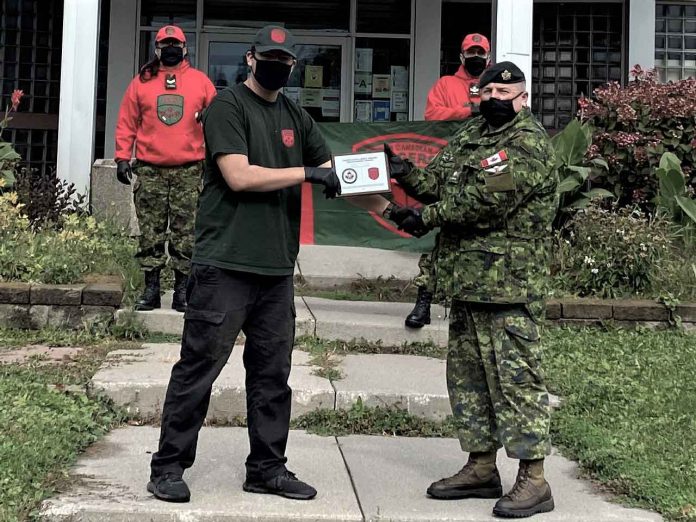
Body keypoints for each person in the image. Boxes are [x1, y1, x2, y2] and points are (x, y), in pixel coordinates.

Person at [147, 25, 341, 503]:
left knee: (272, 376)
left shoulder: (296, 113)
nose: (276, 65)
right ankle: (168, 467)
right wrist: (308, 173)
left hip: (275, 270)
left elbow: (333, 172)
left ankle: (267, 469)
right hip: (225, 265)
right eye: (268, 56)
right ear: (251, 59)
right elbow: (238, 176)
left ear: (292, 66)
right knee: (199, 369)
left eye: (285, 59)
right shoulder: (227, 106)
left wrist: (396, 203)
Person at [383, 62, 559, 518]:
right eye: (488, 90)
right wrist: (404, 174)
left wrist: (424, 218)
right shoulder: (471, 133)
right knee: (468, 381)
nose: (495, 97)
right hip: (468, 282)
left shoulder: (528, 143)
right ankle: (481, 467)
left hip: (510, 287)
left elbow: (485, 200)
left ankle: (534, 480)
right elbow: (441, 183)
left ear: (523, 96)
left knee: (516, 381)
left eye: (505, 90)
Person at [114, 25, 216, 313]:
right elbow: (126, 122)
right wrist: (122, 157)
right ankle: (152, 288)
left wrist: (217, 160)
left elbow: (218, 121)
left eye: (176, 44)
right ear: (157, 49)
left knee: (187, 233)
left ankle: (183, 290)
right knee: (151, 232)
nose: (171, 48)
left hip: (189, 170)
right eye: (165, 44)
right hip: (150, 170)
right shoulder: (141, 83)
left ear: (185, 48)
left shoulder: (201, 82)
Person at [405, 33, 492, 329]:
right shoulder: (445, 84)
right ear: (462, 56)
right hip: (450, 167)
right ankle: (424, 299)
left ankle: (470, 307)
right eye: (472, 53)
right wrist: (469, 110)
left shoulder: (494, 86)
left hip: (482, 171)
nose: (476, 58)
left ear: (488, 57)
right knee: (442, 238)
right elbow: (433, 114)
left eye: (481, 53)